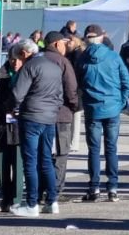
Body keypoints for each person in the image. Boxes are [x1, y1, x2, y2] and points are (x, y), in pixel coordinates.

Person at [74, 23, 129, 203]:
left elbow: (77, 84)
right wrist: (121, 101)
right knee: (111, 148)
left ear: (86, 39)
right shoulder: (114, 57)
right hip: (112, 106)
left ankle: (94, 187)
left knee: (93, 149)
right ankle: (113, 187)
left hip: (93, 108)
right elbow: (127, 82)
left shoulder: (82, 59)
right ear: (101, 37)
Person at [10, 38, 64, 217]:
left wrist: (13, 108)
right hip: (49, 118)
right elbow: (60, 96)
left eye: (20, 56)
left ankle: (32, 203)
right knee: (46, 160)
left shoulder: (30, 66)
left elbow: (18, 94)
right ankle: (52, 201)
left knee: (30, 161)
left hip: (31, 117)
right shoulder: (54, 66)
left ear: (25, 53)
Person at [41, 31, 80, 201]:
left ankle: (41, 188)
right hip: (62, 114)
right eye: (63, 43)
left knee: (43, 152)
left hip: (40, 114)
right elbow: (71, 89)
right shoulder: (63, 62)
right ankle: (55, 190)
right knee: (62, 153)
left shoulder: (36, 60)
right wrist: (73, 105)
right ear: (57, 44)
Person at [0, 44, 24, 212]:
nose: (15, 63)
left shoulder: (27, 74)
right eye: (12, 59)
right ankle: (5, 198)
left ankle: (16, 198)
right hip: (1, 124)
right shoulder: (1, 74)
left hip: (19, 124)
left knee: (18, 163)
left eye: (19, 59)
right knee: (2, 163)